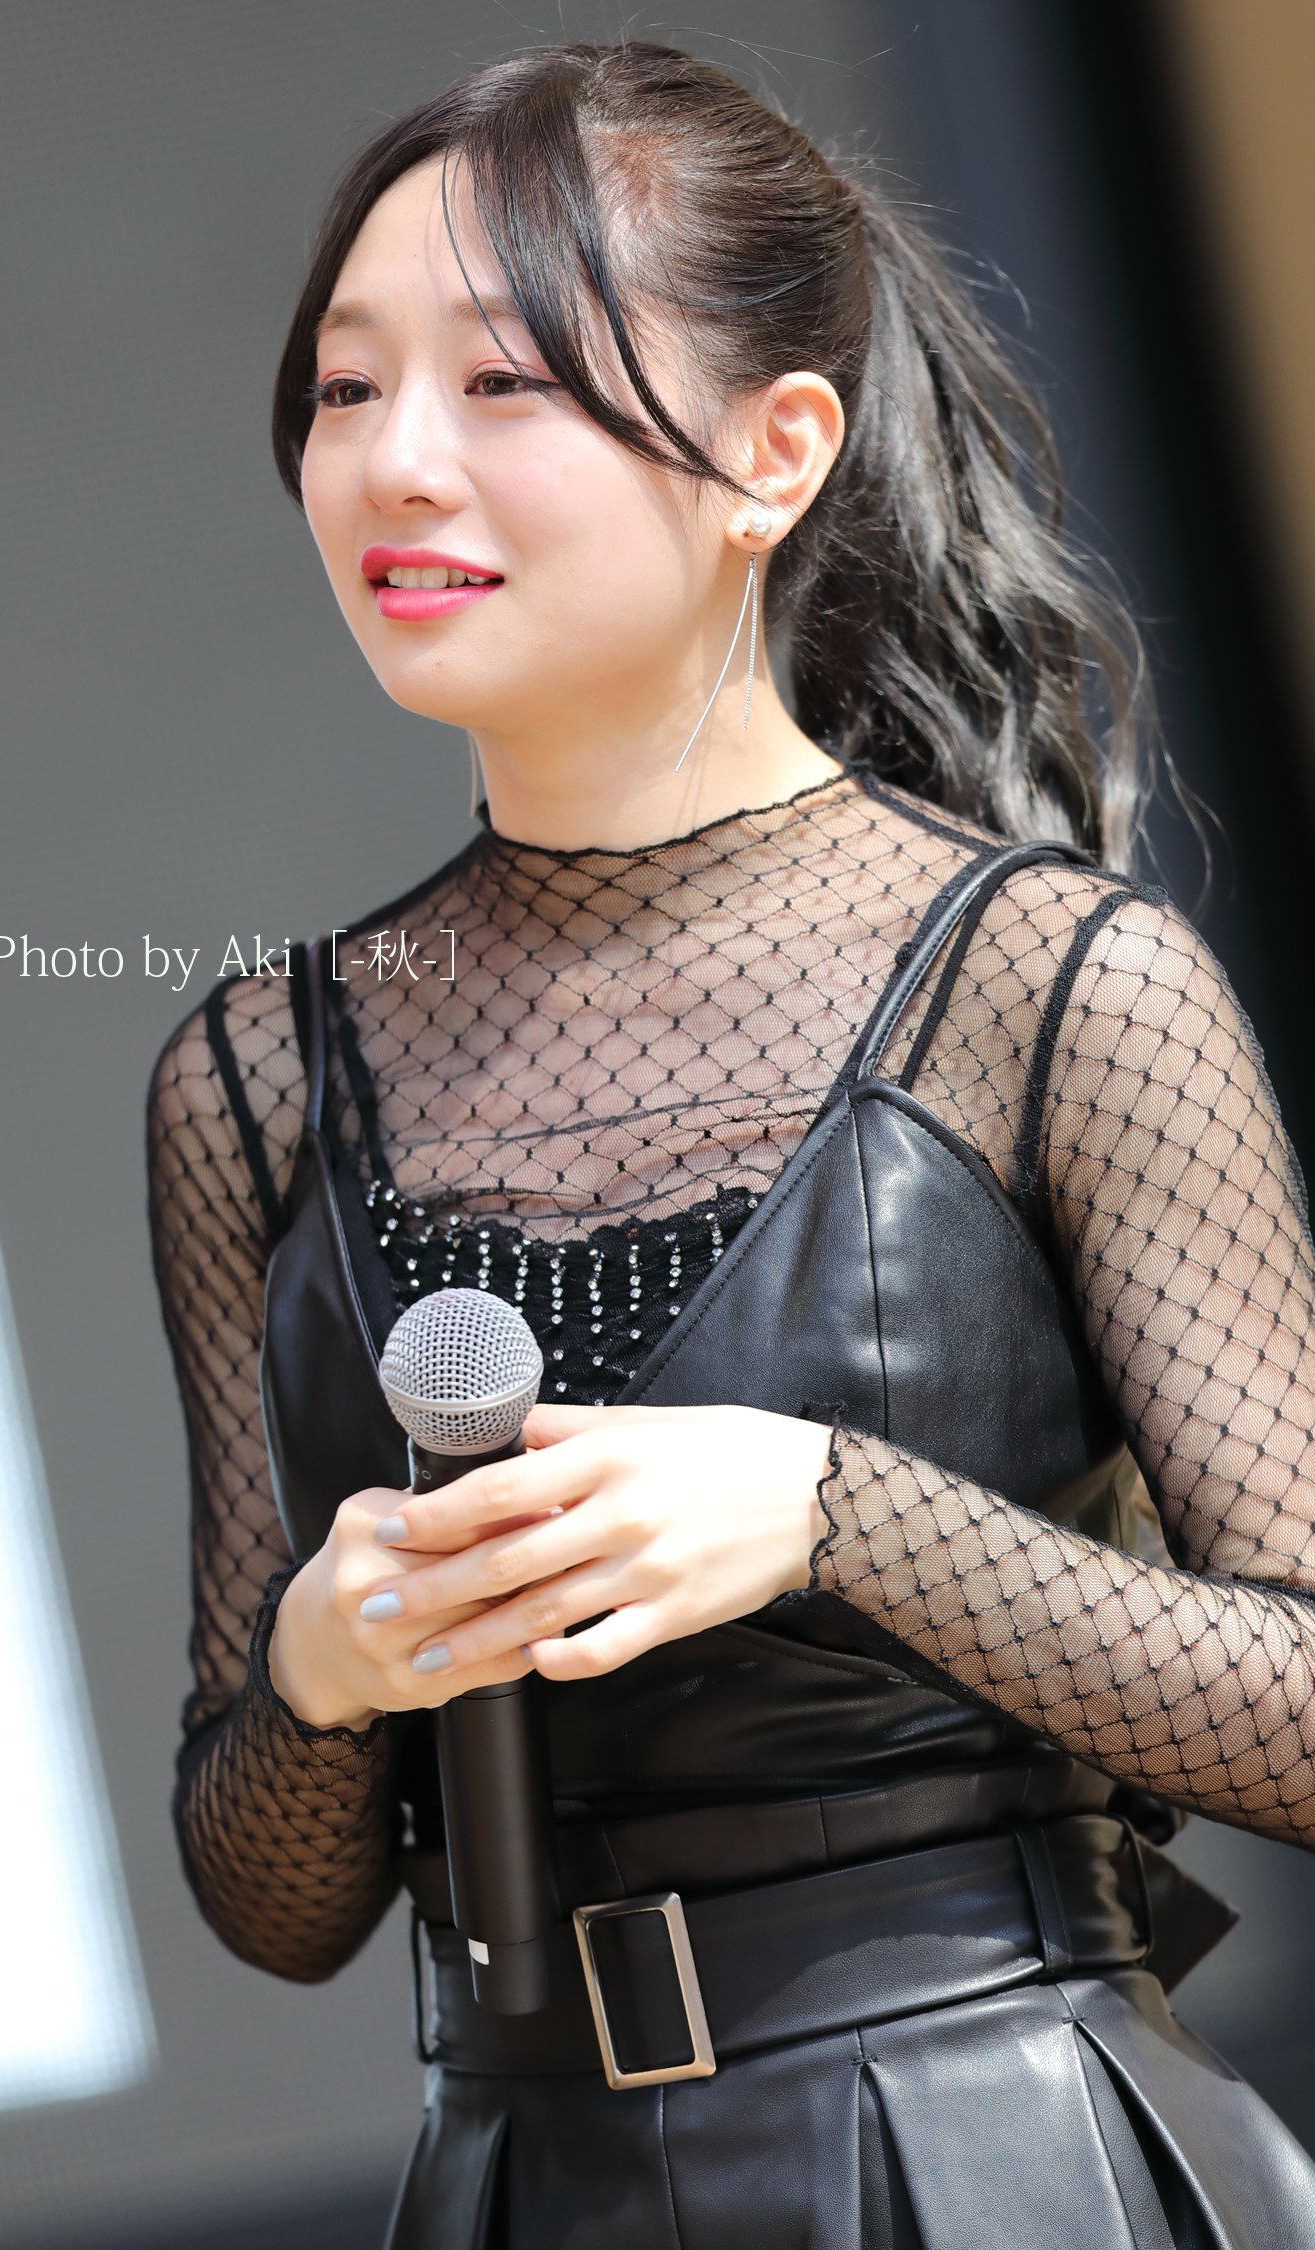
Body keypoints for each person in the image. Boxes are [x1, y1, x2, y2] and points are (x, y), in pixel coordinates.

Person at [146, 39, 1315, 2250]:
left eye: (505, 384)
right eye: (345, 388)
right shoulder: (256, 1075)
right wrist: (326, 1667)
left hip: (998, 2157)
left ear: (778, 453)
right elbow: (267, 1903)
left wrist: (832, 1514)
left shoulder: (1054, 983)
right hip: (522, 2177)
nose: (394, 461)